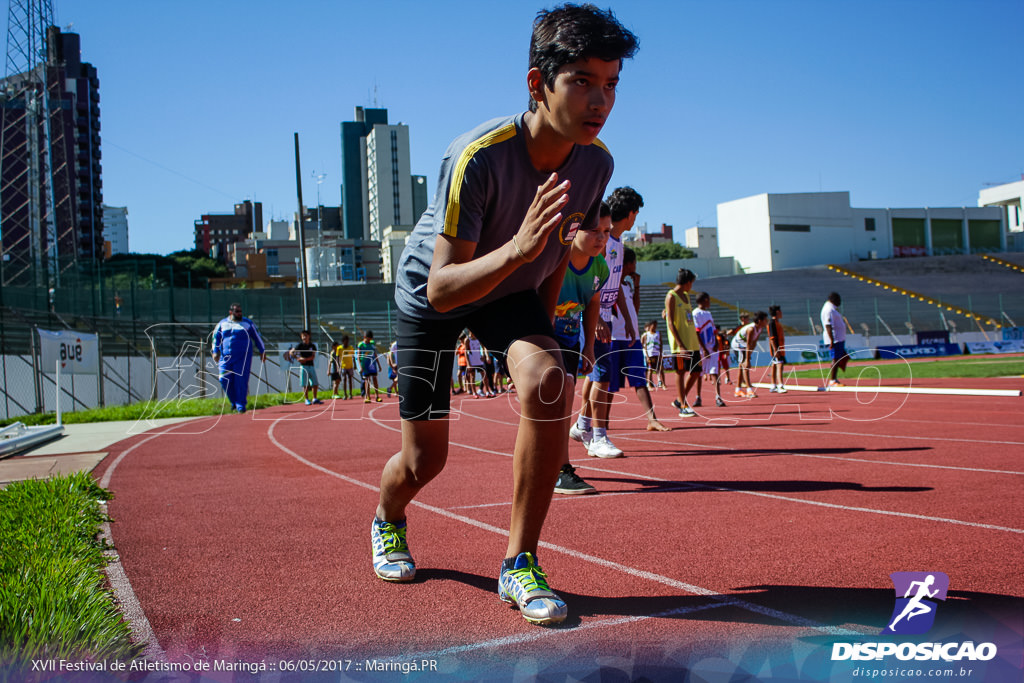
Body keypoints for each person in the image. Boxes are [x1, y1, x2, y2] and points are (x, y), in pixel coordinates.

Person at [371, 3, 637, 627]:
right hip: (438, 294)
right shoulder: (478, 156)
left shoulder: (596, 164)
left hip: (513, 289)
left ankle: (520, 562)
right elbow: (441, 289)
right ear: (537, 83)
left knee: (550, 380)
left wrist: (545, 343)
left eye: (612, 84)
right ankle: (387, 518)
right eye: (582, 82)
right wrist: (516, 248)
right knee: (423, 462)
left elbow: (548, 259)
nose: (600, 100)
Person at [570, 188, 667, 459]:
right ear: (632, 213)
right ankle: (598, 435)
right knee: (602, 376)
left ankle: (583, 425)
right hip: (594, 317)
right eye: (637, 214)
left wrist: (625, 318)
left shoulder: (618, 243)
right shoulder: (601, 242)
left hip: (606, 317)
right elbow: (591, 280)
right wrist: (599, 316)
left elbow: (614, 289)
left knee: (597, 376)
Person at [552, 200, 611, 494]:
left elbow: (594, 304)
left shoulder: (600, 267)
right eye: (594, 230)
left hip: (570, 340)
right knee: (554, 402)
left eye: (606, 231)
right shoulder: (554, 257)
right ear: (574, 229)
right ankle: (558, 469)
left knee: (562, 403)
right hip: (542, 337)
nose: (601, 238)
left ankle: (553, 467)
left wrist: (588, 346)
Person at [211, 303, 266, 413]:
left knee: (241, 381)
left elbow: (257, 337)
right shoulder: (222, 324)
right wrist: (215, 351)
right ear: (231, 312)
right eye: (237, 311)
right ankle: (233, 401)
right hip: (226, 357)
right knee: (223, 379)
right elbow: (215, 338)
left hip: (243, 357)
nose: (240, 314)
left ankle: (241, 405)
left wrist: (262, 351)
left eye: (241, 311)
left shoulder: (247, 323)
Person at [665, 268, 701, 418]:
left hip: (692, 341)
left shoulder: (686, 296)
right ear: (687, 282)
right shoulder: (671, 296)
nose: (692, 286)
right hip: (679, 343)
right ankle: (683, 405)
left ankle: (680, 400)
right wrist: (680, 344)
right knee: (680, 372)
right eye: (691, 282)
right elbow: (670, 322)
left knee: (697, 371)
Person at [693, 292, 726, 407]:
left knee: (714, 372)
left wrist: (716, 342)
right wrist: (703, 348)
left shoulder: (708, 313)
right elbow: (696, 332)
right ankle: (698, 397)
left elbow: (713, 329)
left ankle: (718, 397)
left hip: (712, 347)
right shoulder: (695, 314)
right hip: (702, 348)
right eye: (708, 300)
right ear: (703, 300)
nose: (710, 302)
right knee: (699, 373)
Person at [731, 311, 768, 397]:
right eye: (765, 320)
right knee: (745, 366)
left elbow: (754, 343)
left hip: (744, 346)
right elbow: (748, 344)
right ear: (759, 321)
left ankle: (738, 390)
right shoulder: (751, 329)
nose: (767, 322)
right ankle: (749, 390)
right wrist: (747, 359)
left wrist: (750, 354)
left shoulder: (760, 329)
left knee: (741, 366)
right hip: (738, 345)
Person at [821, 292, 848, 388]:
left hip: (839, 338)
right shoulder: (829, 309)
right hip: (835, 339)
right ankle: (832, 380)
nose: (840, 302)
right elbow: (828, 325)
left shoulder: (832, 309)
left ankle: (834, 379)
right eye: (839, 300)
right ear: (834, 299)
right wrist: (831, 340)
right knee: (836, 359)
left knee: (843, 357)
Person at [289, 330, 323, 406]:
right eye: (303, 336)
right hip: (303, 366)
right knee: (305, 384)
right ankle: (306, 399)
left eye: (306, 335)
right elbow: (291, 352)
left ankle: (315, 398)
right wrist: (298, 358)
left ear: (309, 336)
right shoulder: (300, 346)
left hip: (311, 366)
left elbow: (313, 356)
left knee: (315, 383)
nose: (304, 337)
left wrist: (305, 359)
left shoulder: (312, 346)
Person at [768, 305, 788, 393]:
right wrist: (775, 350)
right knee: (779, 365)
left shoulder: (777, 323)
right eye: (780, 311)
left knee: (775, 365)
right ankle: (780, 385)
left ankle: (773, 385)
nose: (782, 313)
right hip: (776, 348)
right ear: (777, 312)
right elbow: (772, 338)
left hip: (780, 347)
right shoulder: (772, 323)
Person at [358, 330, 382, 403]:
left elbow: (375, 354)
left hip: (372, 364)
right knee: (367, 380)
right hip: (365, 365)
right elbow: (358, 356)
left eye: (370, 339)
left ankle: (377, 396)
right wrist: (360, 367)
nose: (369, 340)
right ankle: (367, 396)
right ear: (365, 337)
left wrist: (379, 365)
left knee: (375, 379)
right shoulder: (361, 345)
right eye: (368, 339)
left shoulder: (372, 344)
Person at [641, 320, 665, 389]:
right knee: (650, 370)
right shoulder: (645, 335)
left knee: (660, 369)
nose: (655, 327)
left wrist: (661, 353)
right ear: (650, 325)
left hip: (657, 354)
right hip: (650, 354)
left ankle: (662, 383)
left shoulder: (658, 333)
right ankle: (649, 384)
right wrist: (647, 355)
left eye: (656, 325)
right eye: (653, 325)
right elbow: (643, 345)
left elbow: (661, 344)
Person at [337, 335, 356, 399]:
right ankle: (345, 394)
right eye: (346, 341)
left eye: (348, 341)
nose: (347, 342)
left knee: (350, 380)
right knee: (344, 380)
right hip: (343, 366)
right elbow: (337, 357)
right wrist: (338, 365)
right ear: (343, 341)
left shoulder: (350, 347)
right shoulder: (339, 348)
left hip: (350, 366)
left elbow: (353, 356)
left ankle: (350, 394)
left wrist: (355, 364)